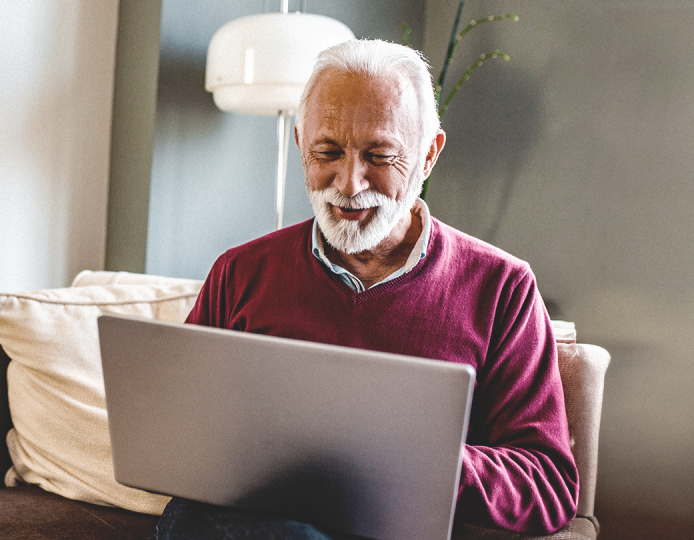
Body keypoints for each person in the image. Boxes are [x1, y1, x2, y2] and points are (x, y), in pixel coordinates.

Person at [157, 39, 578, 539]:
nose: (350, 183)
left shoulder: (501, 288)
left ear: (428, 155)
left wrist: (419, 463)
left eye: (378, 155)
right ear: (299, 145)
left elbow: (548, 486)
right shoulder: (239, 273)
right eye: (327, 152)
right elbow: (177, 436)